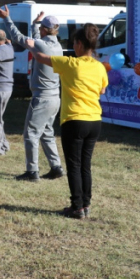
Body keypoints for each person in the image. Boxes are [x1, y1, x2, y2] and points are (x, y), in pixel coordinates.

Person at [31, 23, 108, 219]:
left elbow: (41, 57)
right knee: (85, 165)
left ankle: (77, 207)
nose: (73, 46)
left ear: (80, 44)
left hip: (74, 119)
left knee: (73, 165)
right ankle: (86, 204)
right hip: (94, 121)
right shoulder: (99, 67)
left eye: (74, 43)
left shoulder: (70, 63)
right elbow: (102, 90)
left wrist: (32, 43)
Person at [0, 6, 65, 181]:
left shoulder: (41, 44)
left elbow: (17, 37)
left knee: (31, 134)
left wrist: (7, 18)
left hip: (42, 98)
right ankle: (56, 166)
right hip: (54, 98)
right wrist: (36, 24)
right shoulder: (57, 46)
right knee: (47, 133)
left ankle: (32, 171)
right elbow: (37, 41)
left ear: (45, 30)